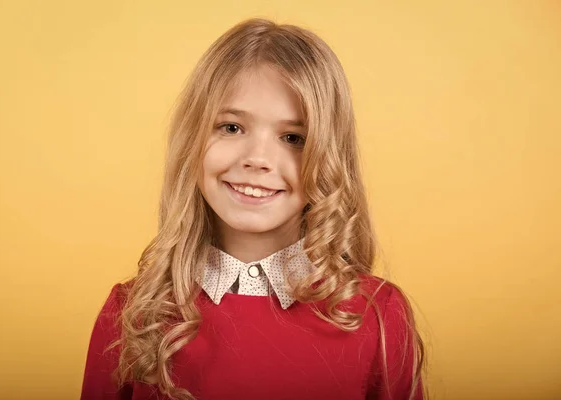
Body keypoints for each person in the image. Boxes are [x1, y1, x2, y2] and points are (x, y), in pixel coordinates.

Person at [80, 18, 425, 400]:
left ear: (330, 161)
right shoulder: (131, 314)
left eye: (293, 137)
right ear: (192, 138)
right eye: (231, 128)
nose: (257, 159)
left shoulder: (378, 315)